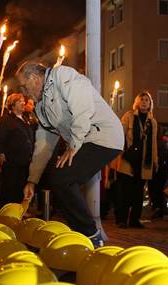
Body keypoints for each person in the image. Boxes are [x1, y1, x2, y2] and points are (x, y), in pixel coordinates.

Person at [16, 61, 124, 247]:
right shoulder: (41, 107)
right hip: (84, 140)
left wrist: (73, 145)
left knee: (63, 178)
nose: (25, 93)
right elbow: (43, 144)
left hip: (104, 136)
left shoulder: (62, 75)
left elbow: (83, 107)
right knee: (57, 179)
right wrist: (32, 179)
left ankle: (91, 235)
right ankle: (83, 235)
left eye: (24, 87)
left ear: (34, 78)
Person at [115, 91, 159, 228]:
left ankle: (135, 219)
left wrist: (155, 160)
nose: (145, 102)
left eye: (147, 100)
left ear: (150, 103)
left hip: (144, 162)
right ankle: (121, 219)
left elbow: (154, 144)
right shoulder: (128, 116)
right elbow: (120, 135)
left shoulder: (152, 122)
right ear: (137, 102)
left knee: (138, 193)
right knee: (125, 192)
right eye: (142, 99)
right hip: (128, 160)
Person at [0, 93, 34, 207]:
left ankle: (18, 210)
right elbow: (0, 137)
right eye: (19, 101)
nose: (23, 103)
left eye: (23, 100)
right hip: (11, 159)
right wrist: (0, 153)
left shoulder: (26, 118)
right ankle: (5, 210)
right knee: (10, 186)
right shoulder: (6, 119)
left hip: (24, 159)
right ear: (12, 105)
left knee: (21, 185)